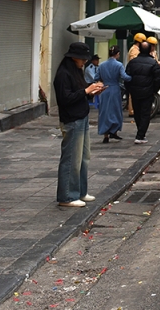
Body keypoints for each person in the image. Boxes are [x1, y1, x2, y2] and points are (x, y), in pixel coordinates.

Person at [53, 42, 104, 207]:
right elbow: (65, 98)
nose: (84, 62)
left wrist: (92, 92)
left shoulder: (76, 72)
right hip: (72, 119)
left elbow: (81, 93)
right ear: (74, 57)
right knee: (71, 159)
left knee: (83, 157)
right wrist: (87, 91)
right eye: (82, 59)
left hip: (82, 116)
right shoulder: (63, 74)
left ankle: (80, 191)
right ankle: (67, 196)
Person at [126, 40, 160, 144]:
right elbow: (158, 79)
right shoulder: (153, 63)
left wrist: (130, 89)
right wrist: (154, 90)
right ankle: (140, 135)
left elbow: (127, 77)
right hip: (147, 92)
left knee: (137, 113)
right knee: (145, 114)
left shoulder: (132, 63)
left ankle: (140, 132)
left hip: (135, 92)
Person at [97, 46, 130, 143]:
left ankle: (105, 134)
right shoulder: (119, 65)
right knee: (115, 110)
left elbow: (96, 77)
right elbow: (124, 77)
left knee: (104, 111)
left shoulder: (102, 65)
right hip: (115, 89)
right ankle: (114, 131)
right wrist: (133, 77)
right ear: (117, 54)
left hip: (104, 90)